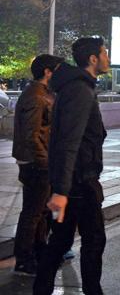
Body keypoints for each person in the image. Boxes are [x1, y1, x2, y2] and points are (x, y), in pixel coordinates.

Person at [31, 38, 118, 295]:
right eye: (104, 53)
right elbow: (70, 140)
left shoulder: (75, 87)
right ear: (93, 59)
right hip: (80, 182)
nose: (107, 58)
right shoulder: (80, 90)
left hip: (73, 181)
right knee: (93, 241)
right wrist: (61, 190)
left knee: (61, 240)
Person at [12, 54, 63, 276]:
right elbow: (31, 135)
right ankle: (24, 259)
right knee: (33, 212)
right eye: (57, 70)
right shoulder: (36, 96)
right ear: (47, 72)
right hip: (36, 162)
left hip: (42, 161)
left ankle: (39, 251)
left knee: (41, 211)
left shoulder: (44, 94)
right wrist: (43, 160)